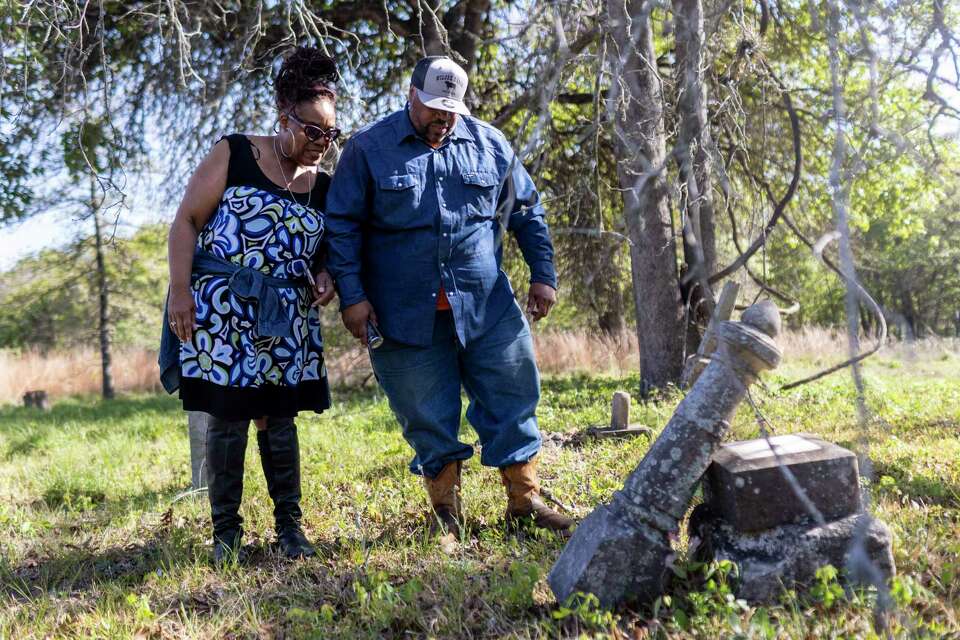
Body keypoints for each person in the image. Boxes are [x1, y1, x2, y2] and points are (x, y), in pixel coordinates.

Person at [325, 56, 573, 538]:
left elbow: (526, 211)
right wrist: (352, 298)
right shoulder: (367, 150)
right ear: (411, 95)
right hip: (403, 315)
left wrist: (543, 274)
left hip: (486, 307)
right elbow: (342, 227)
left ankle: (525, 504)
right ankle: (446, 519)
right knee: (426, 413)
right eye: (434, 107)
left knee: (513, 395)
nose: (442, 118)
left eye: (451, 110)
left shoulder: (490, 144)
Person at [160, 47, 341, 562]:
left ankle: (290, 530)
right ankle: (226, 535)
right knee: (229, 417)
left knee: (280, 419)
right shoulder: (235, 153)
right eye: (313, 132)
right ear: (285, 117)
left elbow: (323, 256)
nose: (322, 144)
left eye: (331, 135)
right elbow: (185, 223)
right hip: (223, 313)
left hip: (286, 321)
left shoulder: (322, 187)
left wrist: (325, 278)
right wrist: (180, 292)